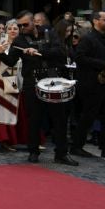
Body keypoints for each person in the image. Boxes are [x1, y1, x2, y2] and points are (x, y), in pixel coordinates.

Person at [11, 14, 75, 166]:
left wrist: (37, 51)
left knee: (59, 118)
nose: (21, 28)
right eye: (19, 25)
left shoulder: (49, 32)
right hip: (32, 82)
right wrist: (1, 52)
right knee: (34, 119)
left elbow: (59, 51)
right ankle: (33, 151)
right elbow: (11, 59)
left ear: (33, 22)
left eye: (25, 25)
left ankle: (61, 153)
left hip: (53, 80)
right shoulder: (19, 39)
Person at [71, 8, 105, 158]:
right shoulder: (88, 39)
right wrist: (102, 65)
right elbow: (79, 58)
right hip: (91, 85)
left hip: (104, 85)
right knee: (88, 116)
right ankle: (76, 146)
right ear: (95, 21)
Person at [0, 16, 28, 153]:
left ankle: (12, 139)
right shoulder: (1, 42)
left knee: (13, 109)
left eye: (15, 28)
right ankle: (3, 139)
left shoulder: (21, 42)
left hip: (15, 79)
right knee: (2, 109)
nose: (13, 30)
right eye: (10, 28)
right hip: (3, 78)